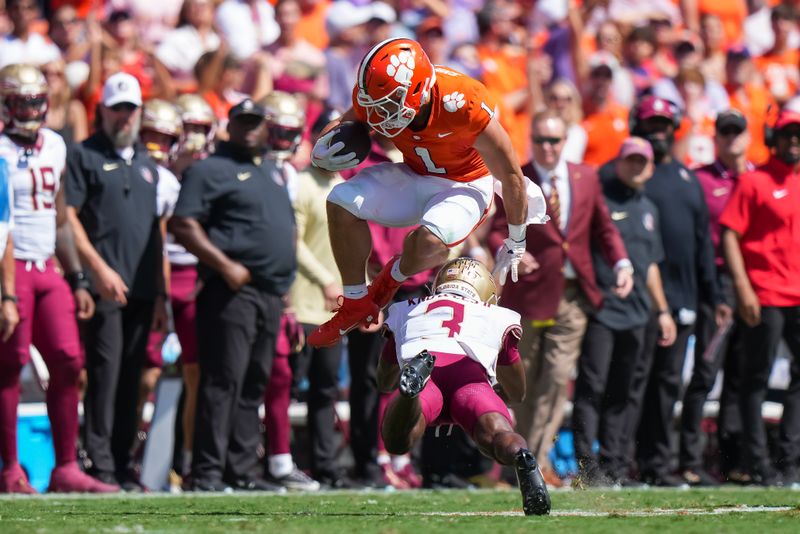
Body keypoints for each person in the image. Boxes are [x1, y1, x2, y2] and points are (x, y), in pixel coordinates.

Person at [307, 38, 546, 348]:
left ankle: (388, 281)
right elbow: (346, 121)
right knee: (340, 200)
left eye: (389, 105)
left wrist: (517, 238)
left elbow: (511, 172)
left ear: (418, 90)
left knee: (431, 239)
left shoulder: (463, 102)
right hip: (415, 173)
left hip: (465, 184)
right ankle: (355, 301)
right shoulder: (378, 94)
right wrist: (322, 150)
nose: (379, 117)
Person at [488, 110, 632, 487]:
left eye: (554, 140)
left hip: (572, 294)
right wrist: (512, 249)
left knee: (554, 382)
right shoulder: (516, 176)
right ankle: (514, 458)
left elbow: (603, 227)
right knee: (523, 383)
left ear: (564, 141)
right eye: (541, 140)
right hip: (528, 295)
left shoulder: (585, 177)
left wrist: (621, 263)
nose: (548, 148)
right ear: (531, 140)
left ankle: (534, 461)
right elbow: (496, 229)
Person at [0, 63, 116, 494]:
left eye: (35, 101)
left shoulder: (55, 144)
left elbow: (61, 215)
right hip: (10, 271)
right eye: (20, 102)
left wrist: (79, 277)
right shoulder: (1, 151)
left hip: (48, 267)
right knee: (9, 366)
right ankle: (10, 469)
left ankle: (65, 467)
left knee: (69, 361)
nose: (30, 110)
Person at [169, 98, 295, 492]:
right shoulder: (209, 169)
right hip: (230, 291)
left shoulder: (271, 170)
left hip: (270, 293)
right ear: (230, 125)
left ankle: (240, 471)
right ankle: (207, 472)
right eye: (243, 122)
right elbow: (183, 224)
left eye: (256, 122)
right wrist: (225, 266)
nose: (250, 129)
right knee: (223, 380)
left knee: (255, 381)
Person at [377, 257, 550, 516]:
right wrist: (496, 393)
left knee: (398, 441)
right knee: (496, 435)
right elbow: (517, 392)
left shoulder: (407, 309)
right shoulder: (496, 315)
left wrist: (400, 381)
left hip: (427, 374)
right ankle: (522, 456)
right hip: (469, 379)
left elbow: (383, 380)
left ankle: (409, 394)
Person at [65, 72, 168, 491]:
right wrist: (97, 269)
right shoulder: (83, 155)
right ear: (101, 110)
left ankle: (123, 460)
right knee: (104, 375)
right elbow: (68, 218)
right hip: (106, 286)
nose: (124, 117)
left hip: (143, 288)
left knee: (132, 378)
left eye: (131, 109)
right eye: (117, 108)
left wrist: (161, 294)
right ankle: (100, 463)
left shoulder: (147, 163)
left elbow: (156, 231)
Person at [624, 95, 731, 486]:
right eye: (651, 125)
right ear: (638, 126)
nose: (658, 132)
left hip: (682, 301)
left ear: (675, 129)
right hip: (637, 299)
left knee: (669, 384)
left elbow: (704, 243)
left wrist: (715, 296)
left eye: (664, 125)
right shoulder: (632, 176)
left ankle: (660, 463)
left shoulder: (688, 180)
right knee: (636, 383)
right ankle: (627, 462)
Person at [571, 137, 676, 487]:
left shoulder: (650, 208)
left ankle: (615, 466)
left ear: (650, 167)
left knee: (625, 392)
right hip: (602, 309)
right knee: (592, 388)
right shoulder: (600, 200)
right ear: (618, 162)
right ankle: (588, 466)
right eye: (630, 160)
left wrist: (662, 311)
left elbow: (651, 267)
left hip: (639, 313)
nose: (636, 167)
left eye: (642, 162)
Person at [721, 109, 800, 486]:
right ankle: (758, 463)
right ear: (774, 139)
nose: (794, 141)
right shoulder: (754, 181)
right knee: (754, 379)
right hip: (765, 294)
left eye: (798, 135)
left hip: (797, 295)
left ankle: (790, 459)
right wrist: (743, 287)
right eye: (787, 135)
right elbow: (730, 235)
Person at [679, 110, 753, 486]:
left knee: (743, 376)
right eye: (724, 132)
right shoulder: (701, 179)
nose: (731, 139)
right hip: (716, 283)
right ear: (716, 137)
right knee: (706, 373)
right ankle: (690, 460)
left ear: (748, 136)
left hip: (757, 285)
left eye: (737, 132)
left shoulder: (757, 178)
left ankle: (733, 460)